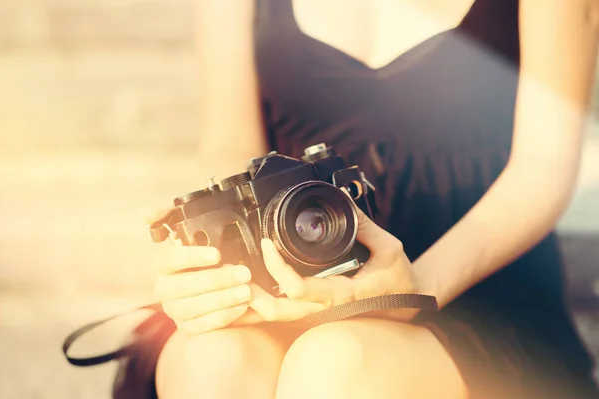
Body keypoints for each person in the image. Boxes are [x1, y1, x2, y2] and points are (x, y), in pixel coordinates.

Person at [124, 1, 599, 398]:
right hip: (292, 271)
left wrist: (413, 288)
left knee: (337, 366)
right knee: (213, 363)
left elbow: (542, 165)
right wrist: (213, 266)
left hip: (475, 282)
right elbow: (230, 145)